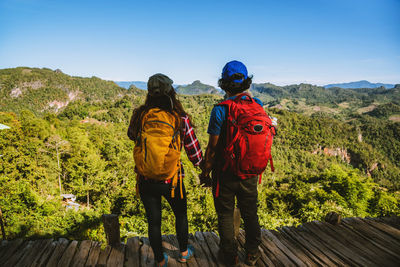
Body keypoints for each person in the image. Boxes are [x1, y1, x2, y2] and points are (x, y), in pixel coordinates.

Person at [128, 73, 203, 267]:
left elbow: (131, 135)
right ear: (171, 91)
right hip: (172, 180)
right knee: (181, 215)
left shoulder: (140, 115)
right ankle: (184, 252)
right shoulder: (180, 118)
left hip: (146, 178)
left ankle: (160, 260)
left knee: (154, 221)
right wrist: (204, 169)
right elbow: (193, 152)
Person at [200, 60, 269, 266]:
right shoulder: (257, 105)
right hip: (250, 172)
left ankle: (229, 255)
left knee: (225, 214)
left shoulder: (220, 110)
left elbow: (212, 148)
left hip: (225, 173)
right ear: (246, 82)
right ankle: (252, 252)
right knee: (250, 212)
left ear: (224, 83)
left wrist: (205, 173)